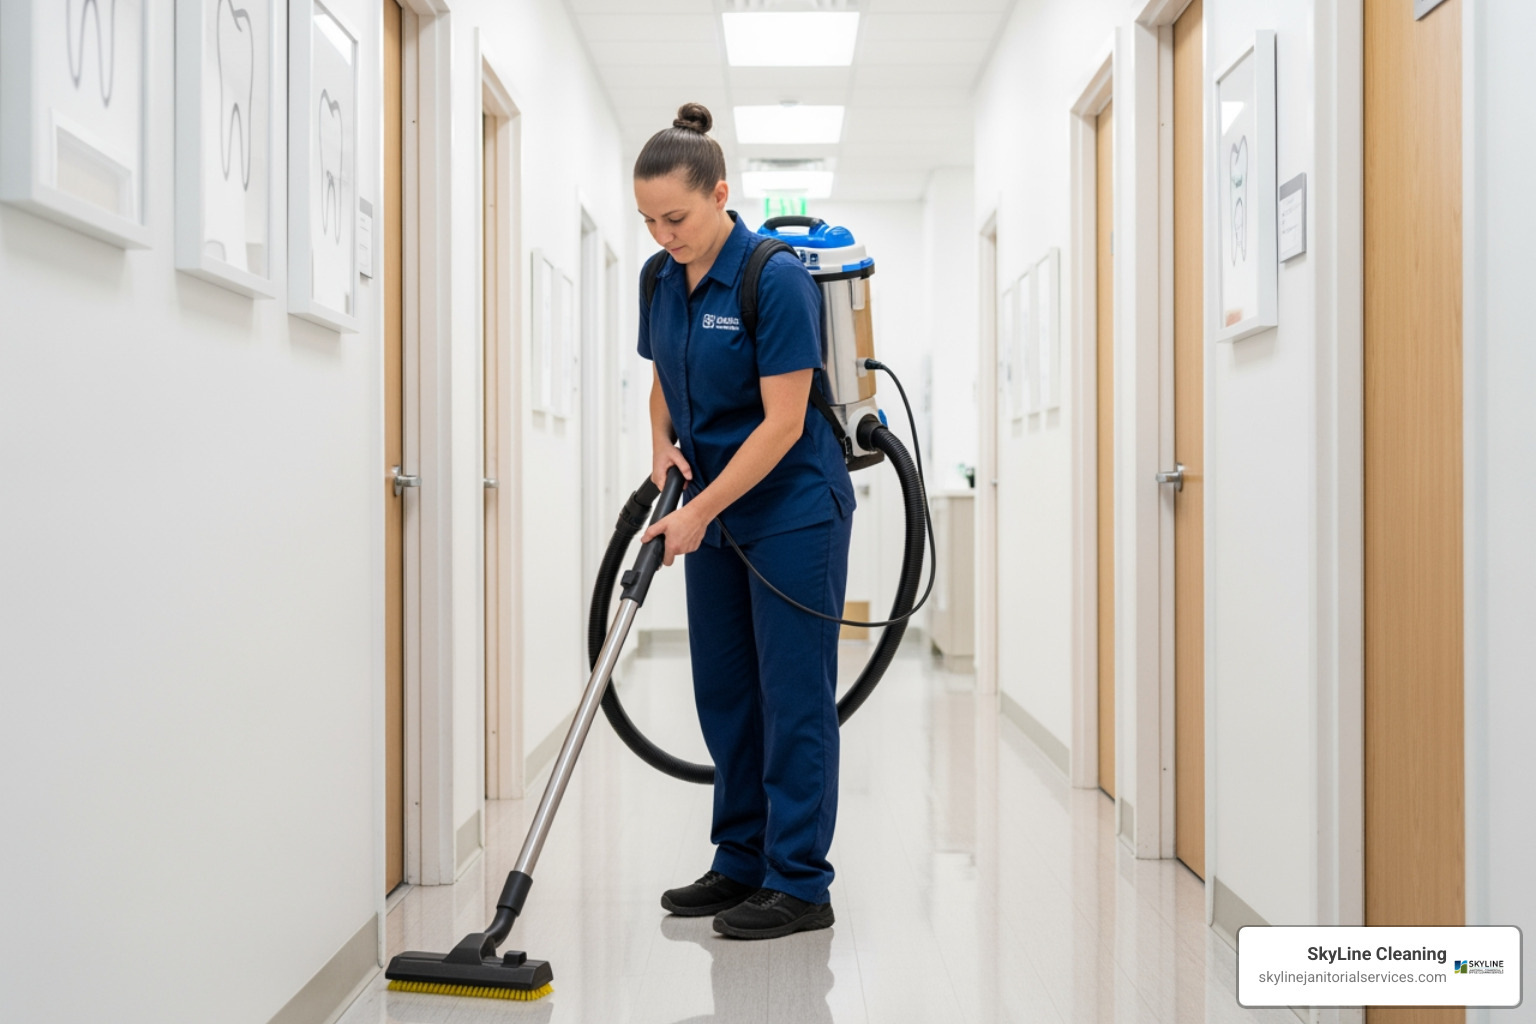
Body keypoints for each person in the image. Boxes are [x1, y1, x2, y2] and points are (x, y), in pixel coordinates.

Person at [634, 102, 856, 940]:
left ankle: (799, 882)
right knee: (726, 692)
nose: (664, 234)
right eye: (650, 220)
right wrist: (660, 447)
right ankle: (740, 863)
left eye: (678, 217)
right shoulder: (660, 277)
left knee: (793, 697)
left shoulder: (775, 276)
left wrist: (700, 510)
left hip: (792, 510)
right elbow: (665, 372)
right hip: (710, 514)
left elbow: (784, 422)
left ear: (721, 192)